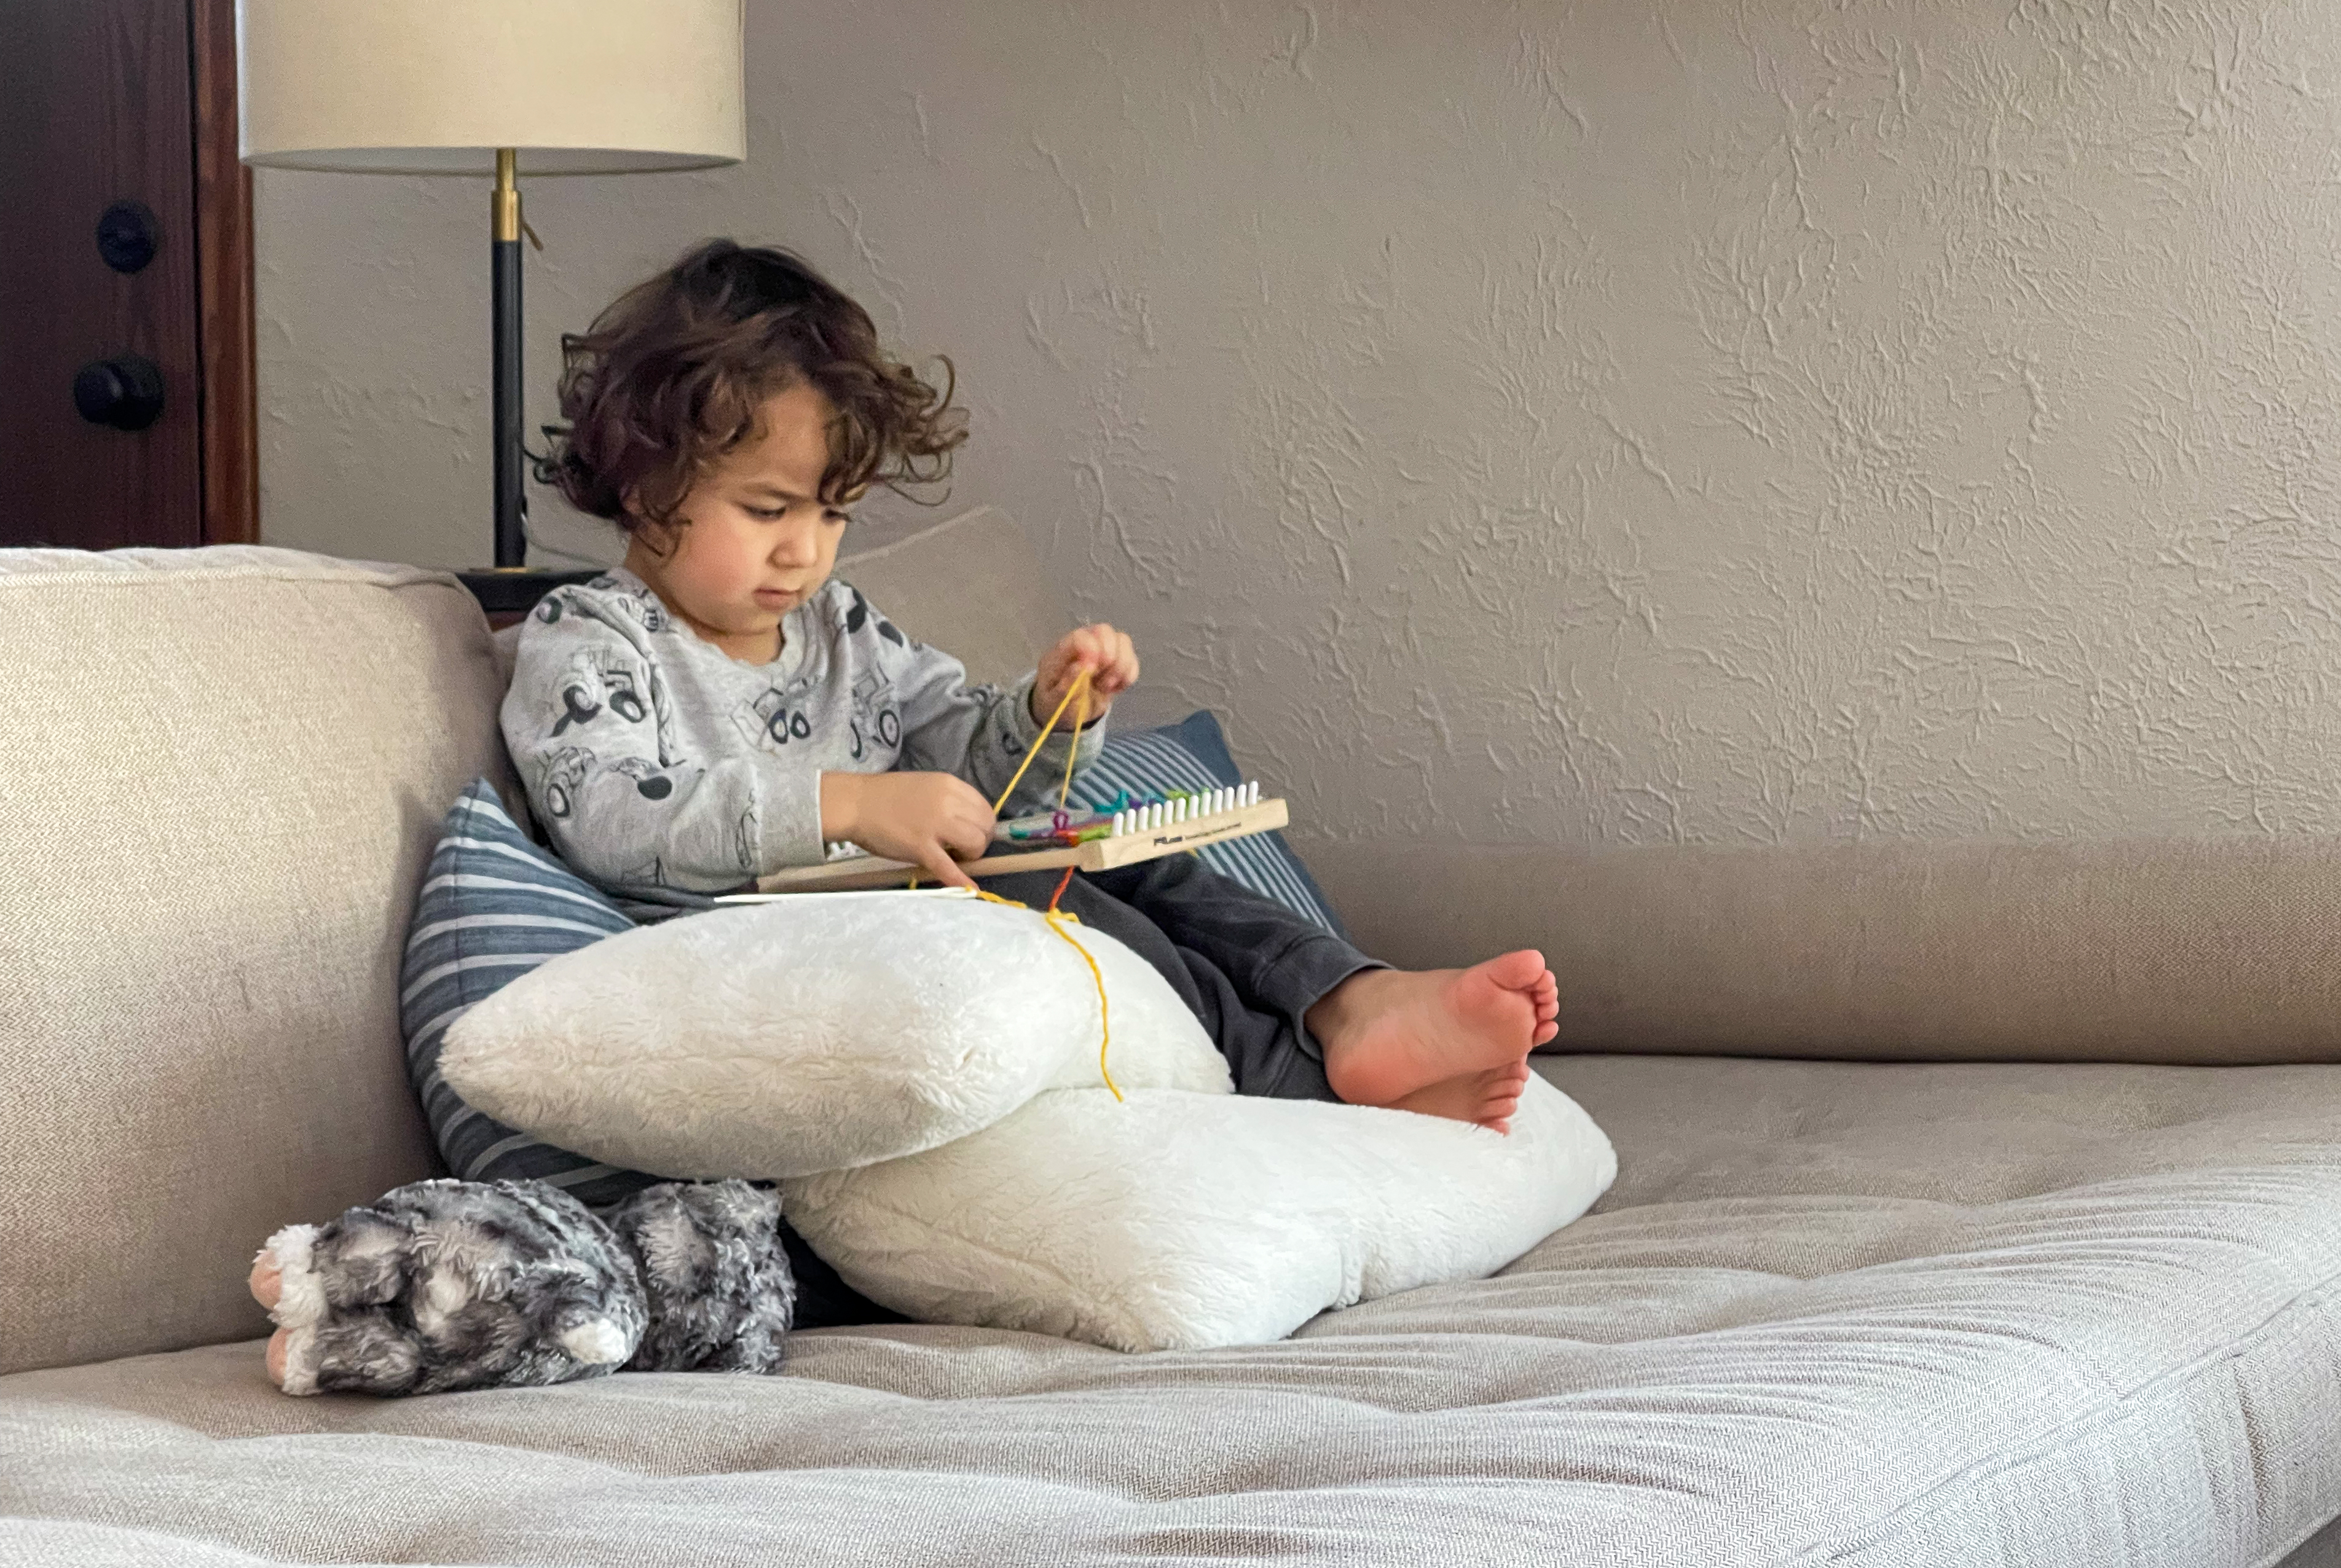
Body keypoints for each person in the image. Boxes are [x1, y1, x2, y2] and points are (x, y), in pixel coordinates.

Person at [248, 238, 1560, 1393]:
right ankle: (1315, 1080)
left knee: (1124, 859)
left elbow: (973, 763)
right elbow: (611, 818)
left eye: (830, 512)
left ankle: (1355, 1008)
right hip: (769, 959)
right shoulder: (596, 639)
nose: (803, 551)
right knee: (1074, 907)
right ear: (644, 483)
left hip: (915, 917)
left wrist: (1053, 714)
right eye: (766, 509)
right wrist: (847, 805)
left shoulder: (841, 629)